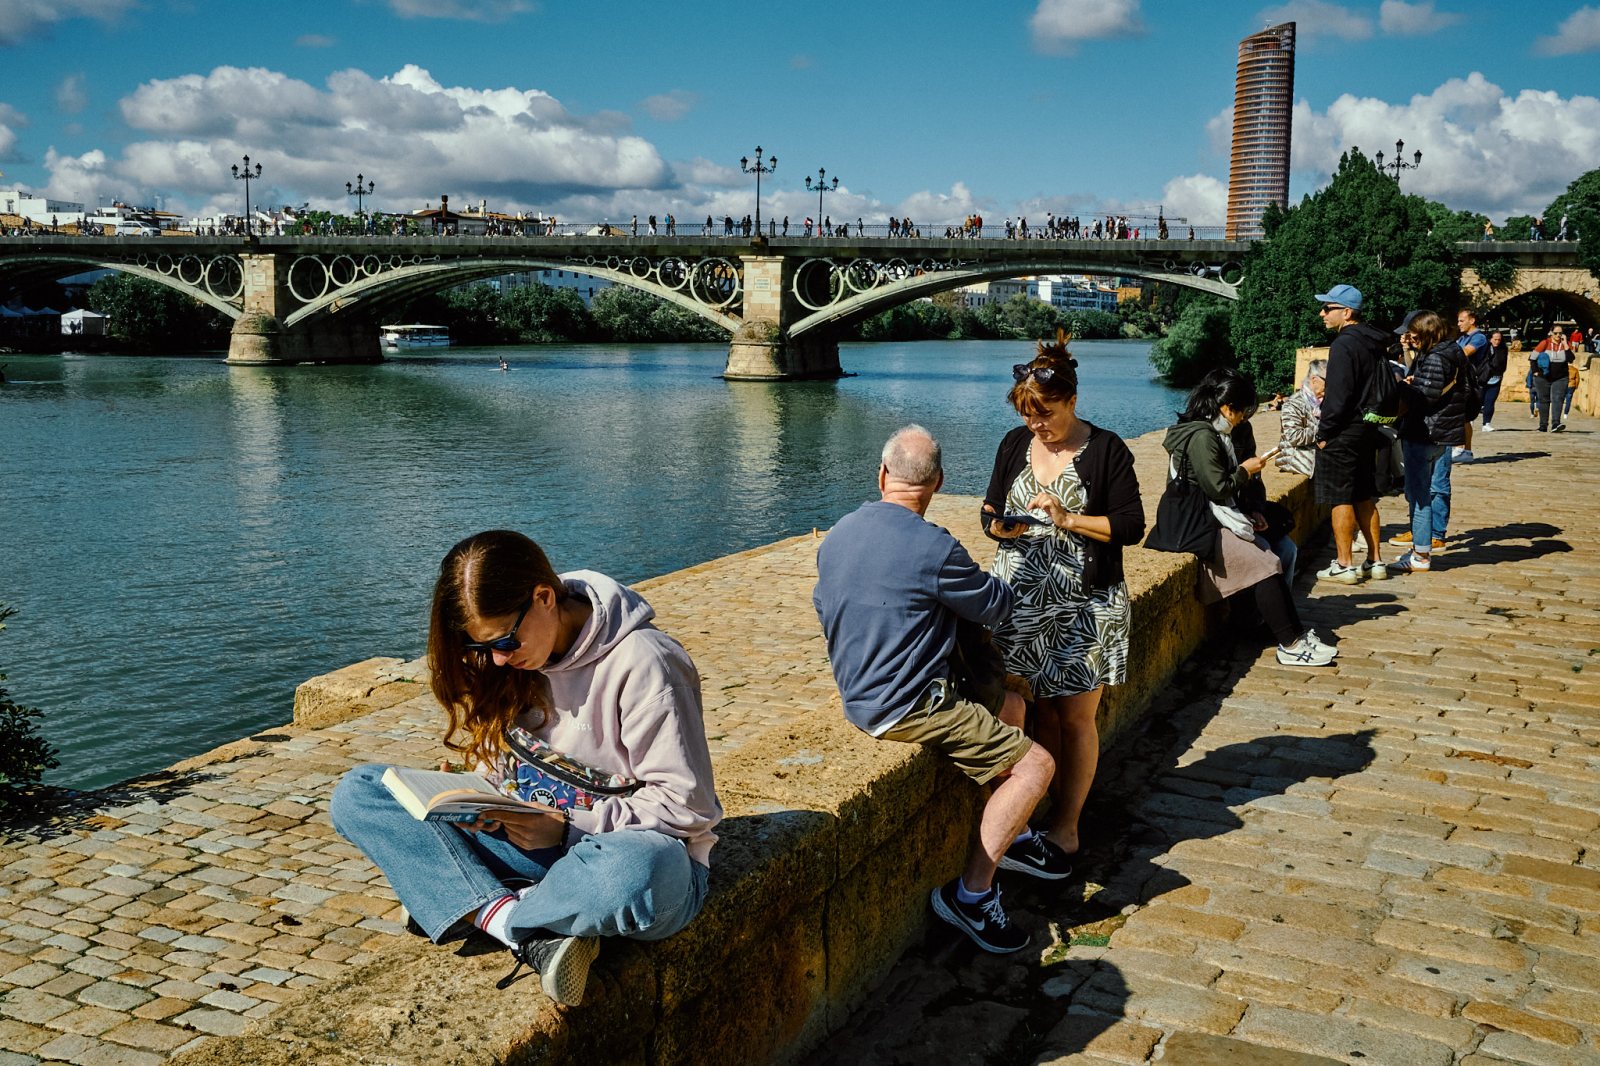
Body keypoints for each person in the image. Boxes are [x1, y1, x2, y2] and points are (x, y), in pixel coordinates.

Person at [330, 531, 721, 1006]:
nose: (498, 659)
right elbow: (512, 763)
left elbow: (688, 808)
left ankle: (480, 910)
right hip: (529, 847)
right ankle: (526, 925)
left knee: (637, 871)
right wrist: (475, 787)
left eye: (506, 641)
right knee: (361, 791)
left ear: (544, 597)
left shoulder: (646, 663)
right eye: (484, 648)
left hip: (616, 857)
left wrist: (563, 830)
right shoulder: (510, 663)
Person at [814, 427, 1058, 955]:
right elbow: (996, 606)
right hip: (907, 703)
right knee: (1038, 767)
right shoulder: (935, 547)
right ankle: (972, 895)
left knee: (1011, 705)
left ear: (882, 475)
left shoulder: (840, 533)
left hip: (858, 690)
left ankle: (1011, 834)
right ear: (939, 483)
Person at [981, 338, 1145, 864]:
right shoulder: (1012, 443)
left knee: (1074, 719)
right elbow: (989, 510)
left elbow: (1131, 527)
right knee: (1029, 711)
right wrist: (999, 528)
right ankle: (1028, 819)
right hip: (1017, 605)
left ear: (1072, 401)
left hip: (1083, 608)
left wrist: (1067, 519)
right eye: (1029, 416)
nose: (1037, 426)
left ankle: (1067, 828)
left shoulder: (1107, 449)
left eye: (1045, 414)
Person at [1163, 370, 1337, 666]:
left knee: (1285, 550)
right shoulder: (1201, 436)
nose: (1246, 417)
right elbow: (1217, 487)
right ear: (1227, 408)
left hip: (1229, 513)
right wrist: (1246, 470)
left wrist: (1255, 508)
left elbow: (1250, 487)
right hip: (1198, 519)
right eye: (1243, 410)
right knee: (1264, 561)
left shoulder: (1239, 431)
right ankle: (1291, 643)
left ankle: (1261, 623)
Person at [1312, 284, 1390, 584]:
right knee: (1364, 494)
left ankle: (1344, 564)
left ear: (1346, 312)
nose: (1322, 313)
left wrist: (1325, 432)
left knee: (1339, 496)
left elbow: (1339, 396)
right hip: (1368, 427)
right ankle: (1375, 560)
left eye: (1327, 308)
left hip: (1343, 430)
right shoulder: (1373, 340)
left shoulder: (1344, 344)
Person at [1389, 311, 1470, 572]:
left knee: (1419, 495)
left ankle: (1421, 555)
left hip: (1425, 432)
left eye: (1413, 334)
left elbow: (1426, 396)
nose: (1409, 338)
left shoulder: (1436, 357)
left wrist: (1402, 385)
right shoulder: (1449, 351)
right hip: (1441, 431)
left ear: (1425, 332)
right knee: (1426, 490)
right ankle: (1422, 546)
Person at [1276, 359, 1326, 478]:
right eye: (1328, 382)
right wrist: (1325, 430)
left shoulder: (1327, 401)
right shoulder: (1293, 404)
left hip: (1318, 455)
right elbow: (1294, 436)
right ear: (1314, 380)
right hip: (1299, 459)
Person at [1453, 309, 1487, 463]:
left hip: (1470, 382)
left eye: (1461, 320)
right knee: (1463, 417)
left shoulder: (1478, 337)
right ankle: (1465, 450)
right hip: (1462, 381)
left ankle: (1462, 449)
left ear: (1471, 321)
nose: (1458, 324)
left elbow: (1465, 352)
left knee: (1462, 415)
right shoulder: (1462, 338)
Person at [1530, 326, 1572, 432]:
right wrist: (1535, 372)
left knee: (1558, 399)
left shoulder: (1565, 345)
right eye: (1556, 333)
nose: (1558, 336)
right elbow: (1532, 358)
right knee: (1544, 400)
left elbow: (1571, 359)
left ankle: (1556, 424)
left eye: (1560, 333)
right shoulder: (1545, 343)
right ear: (1551, 333)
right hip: (1543, 377)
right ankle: (1543, 425)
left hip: (1561, 377)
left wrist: (1566, 343)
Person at [1477, 330, 1509, 432]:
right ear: (1490, 339)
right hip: (1482, 378)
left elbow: (1503, 364)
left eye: (1499, 339)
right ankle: (1470, 420)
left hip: (1496, 378)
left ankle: (1486, 423)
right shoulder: (1484, 348)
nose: (1497, 342)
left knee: (1490, 401)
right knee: (1478, 401)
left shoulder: (1503, 349)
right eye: (1495, 339)